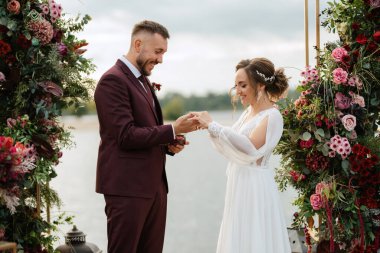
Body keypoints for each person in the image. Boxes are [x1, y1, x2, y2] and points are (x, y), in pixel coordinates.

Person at [94, 20, 197, 253]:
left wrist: (168, 144)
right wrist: (172, 129)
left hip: (154, 188)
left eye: (163, 53)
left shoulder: (143, 81)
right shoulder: (113, 80)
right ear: (138, 44)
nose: (161, 59)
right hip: (127, 189)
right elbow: (125, 135)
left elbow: (145, 130)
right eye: (158, 51)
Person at [191, 57, 292, 253]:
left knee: (256, 236)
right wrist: (206, 127)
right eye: (236, 85)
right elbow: (232, 140)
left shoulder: (273, 116)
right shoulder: (248, 113)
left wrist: (213, 125)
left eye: (243, 85)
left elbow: (249, 148)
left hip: (256, 185)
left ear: (260, 85)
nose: (237, 91)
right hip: (240, 182)